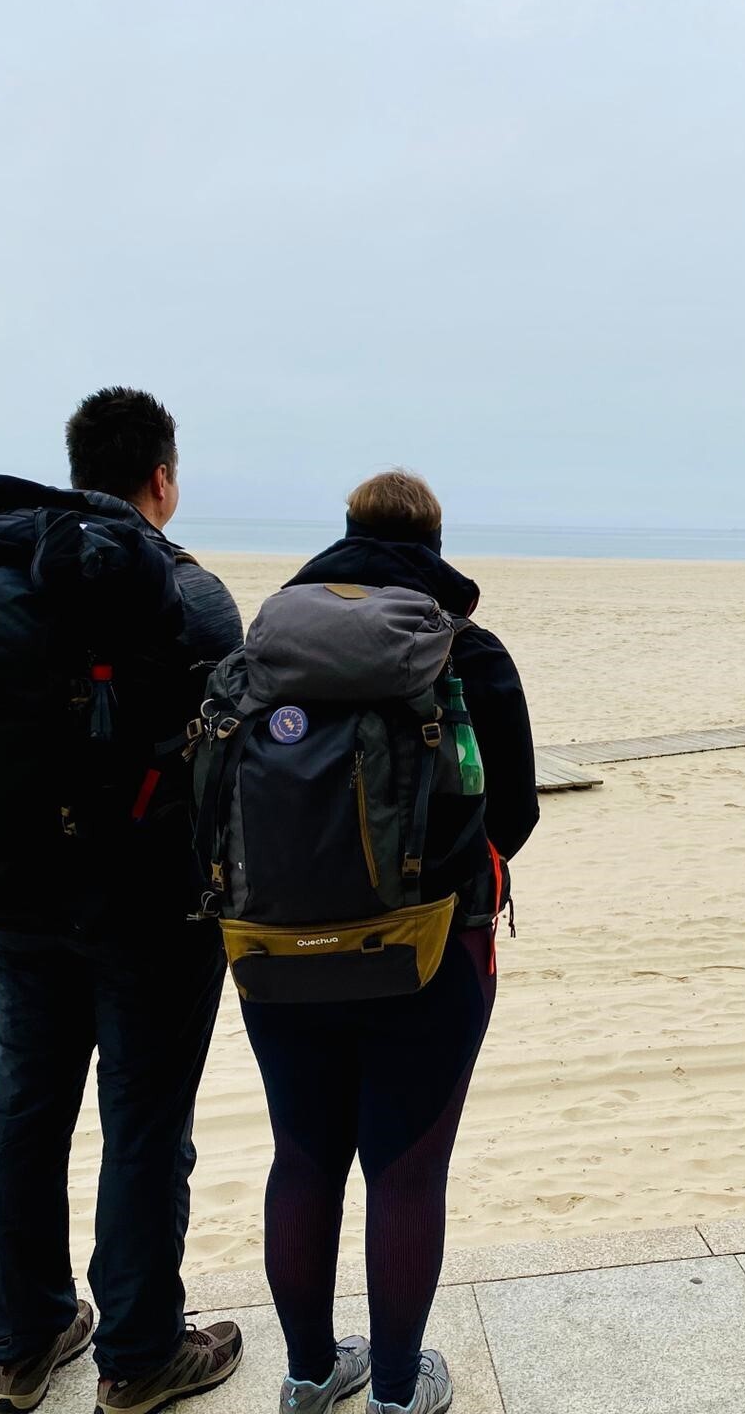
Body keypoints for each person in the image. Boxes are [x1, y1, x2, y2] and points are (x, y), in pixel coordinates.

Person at [243, 471, 538, 1414]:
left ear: (344, 536)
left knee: (303, 1157)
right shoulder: (466, 649)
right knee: (406, 1172)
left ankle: (308, 1375)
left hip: (275, 947)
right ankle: (401, 1392)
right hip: (430, 948)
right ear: (435, 547)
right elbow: (516, 813)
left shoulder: (265, 646)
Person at [0, 388, 246, 1414]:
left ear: (77, 471)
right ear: (162, 479)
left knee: (26, 1106)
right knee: (144, 1122)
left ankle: (24, 1340)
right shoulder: (191, 595)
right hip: (148, 906)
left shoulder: (5, 575)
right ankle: (137, 1356)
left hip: (14, 892)